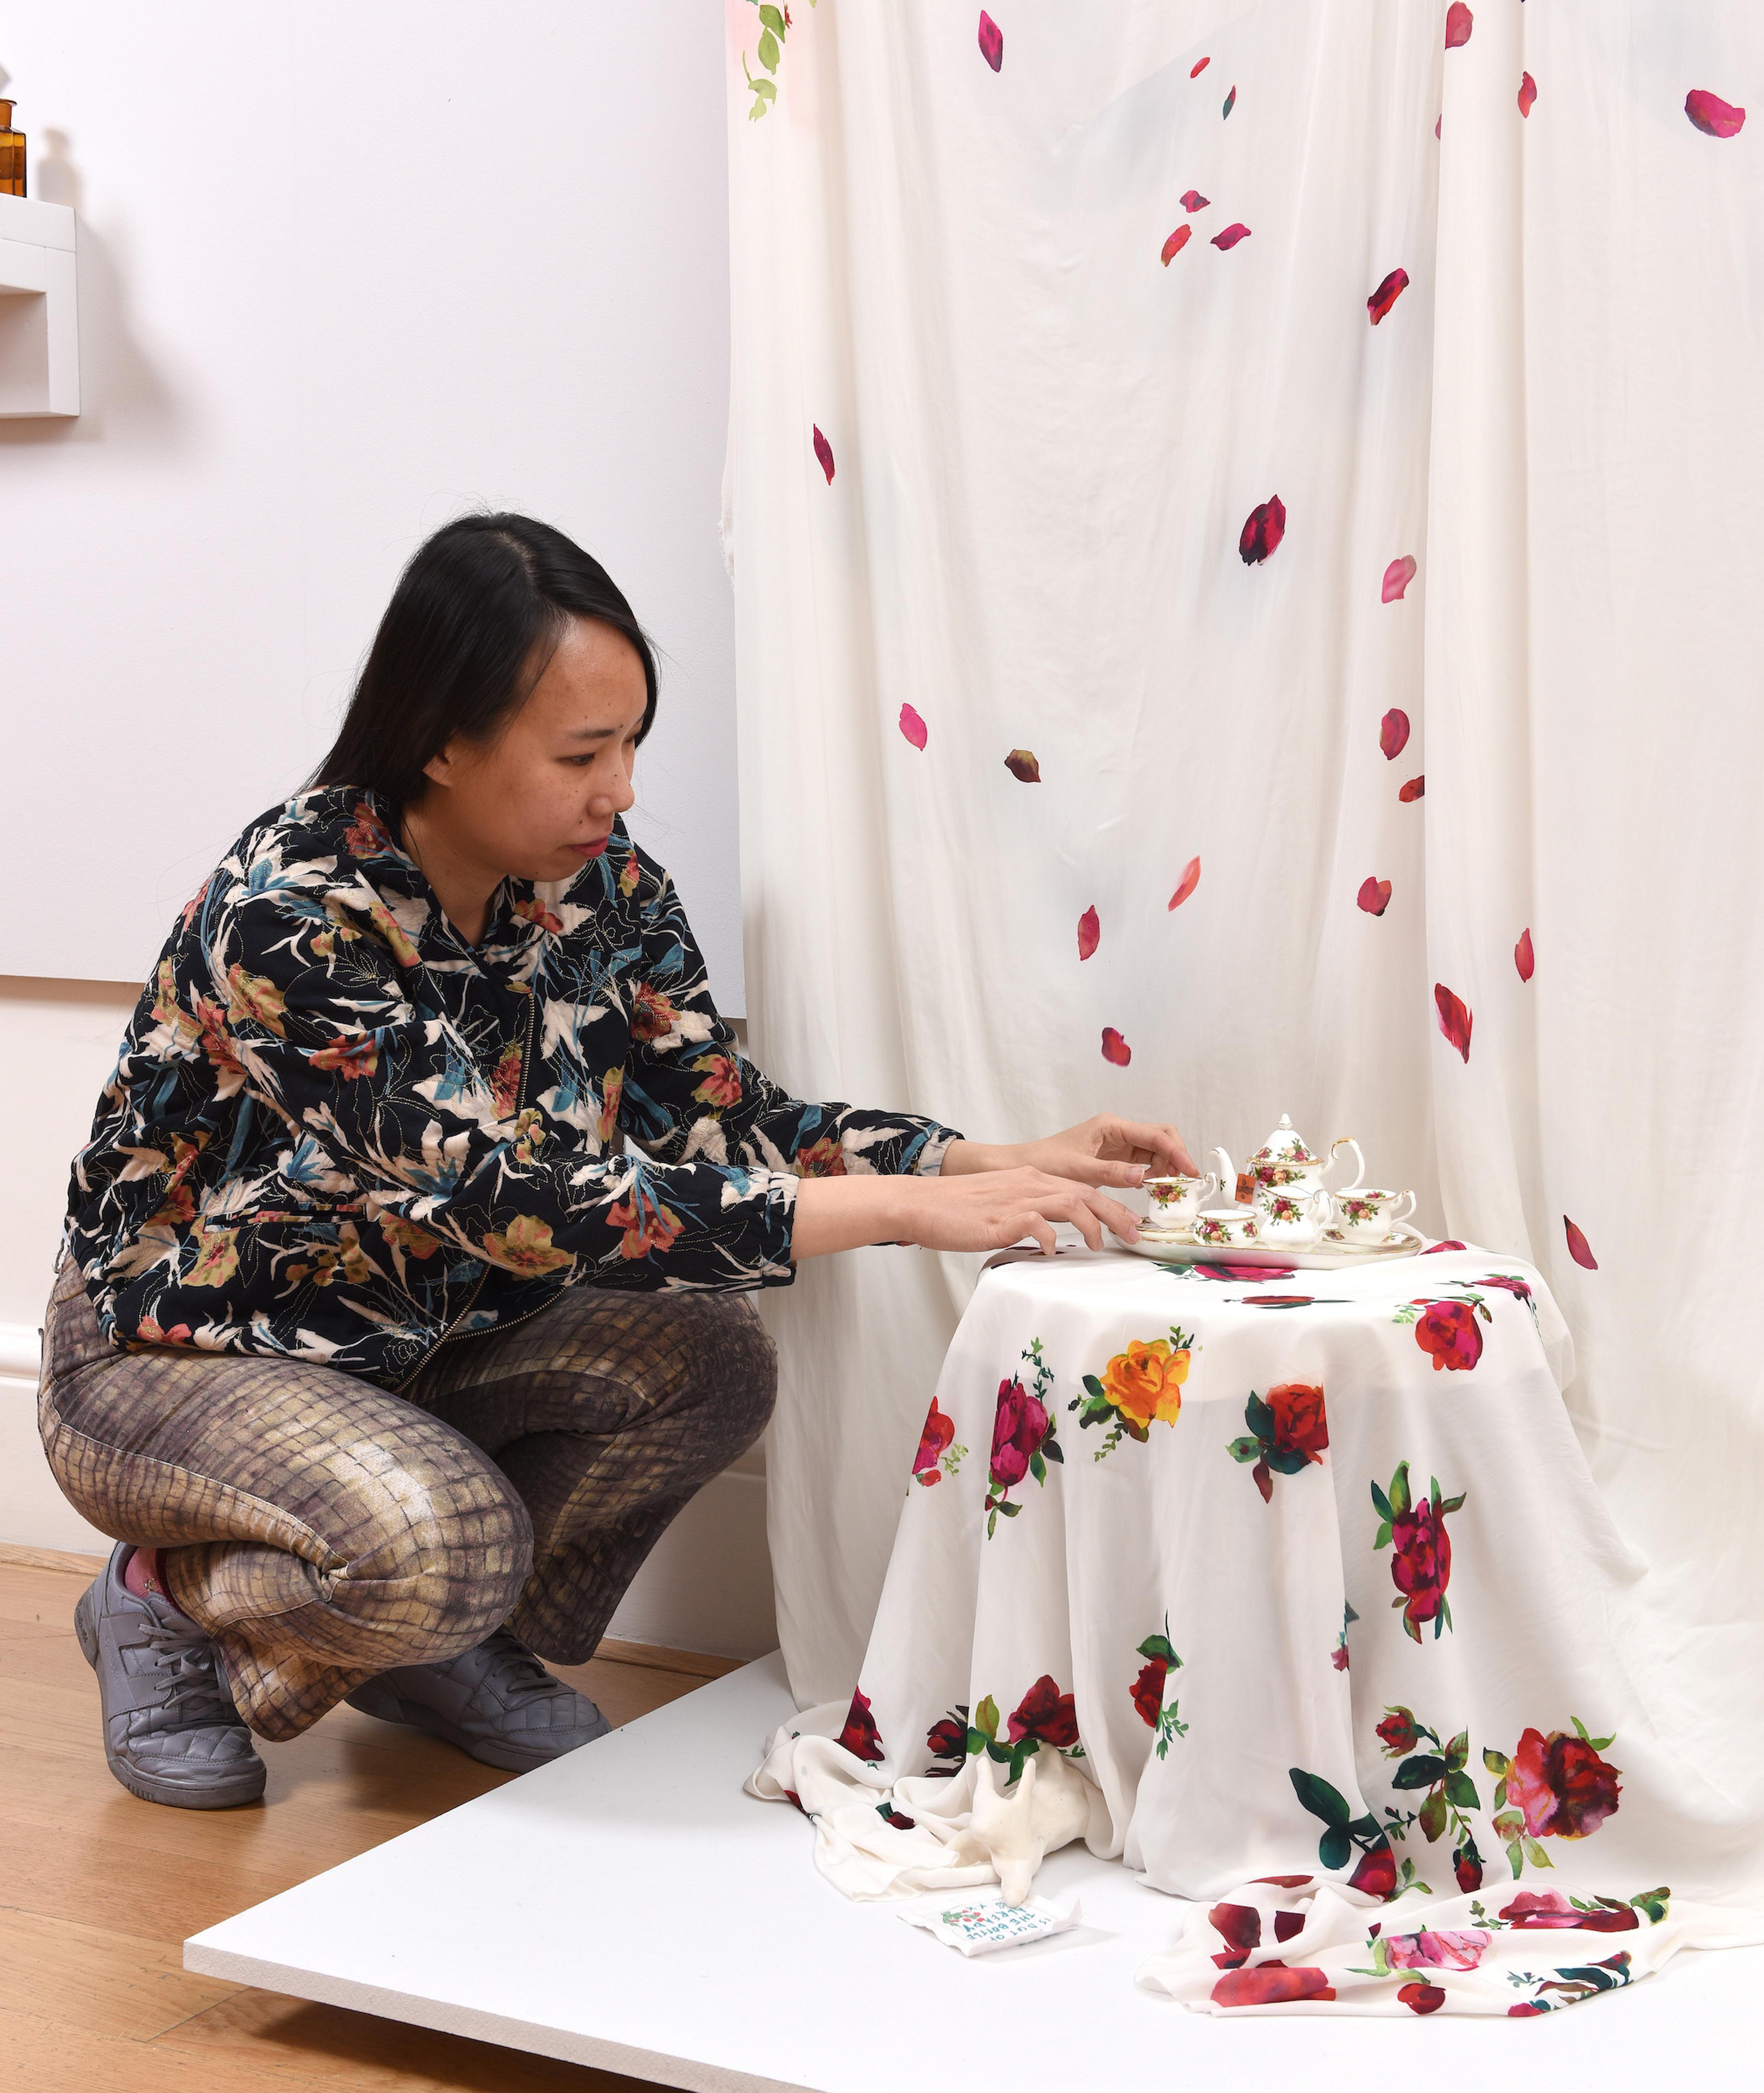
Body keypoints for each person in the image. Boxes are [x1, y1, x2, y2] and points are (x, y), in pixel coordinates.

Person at [43, 513, 1194, 1811]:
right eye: (584, 751)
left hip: (411, 1346)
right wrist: (914, 1211)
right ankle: (165, 1601)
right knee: (437, 1546)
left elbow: (715, 1116)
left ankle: (443, 1643)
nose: (623, 788)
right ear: (441, 741)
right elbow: (518, 1203)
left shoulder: (606, 886)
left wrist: (983, 1155)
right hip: (176, 1358)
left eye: (633, 742)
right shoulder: (294, 915)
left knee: (709, 1355)